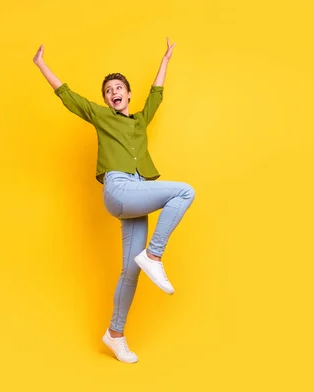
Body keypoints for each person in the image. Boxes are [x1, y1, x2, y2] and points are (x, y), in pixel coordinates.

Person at [33, 38, 195, 363]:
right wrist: (41, 65)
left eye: (119, 88)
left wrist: (165, 58)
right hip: (119, 189)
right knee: (184, 191)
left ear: (128, 94)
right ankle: (155, 254)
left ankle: (115, 334)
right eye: (109, 91)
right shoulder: (100, 116)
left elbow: (156, 95)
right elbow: (68, 96)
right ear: (106, 100)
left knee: (129, 271)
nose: (114, 92)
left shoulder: (139, 121)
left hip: (139, 190)